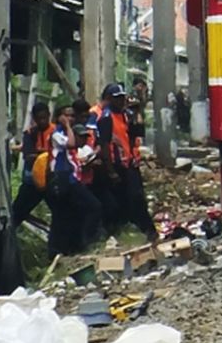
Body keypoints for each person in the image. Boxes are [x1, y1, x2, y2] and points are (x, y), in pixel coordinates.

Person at [96, 83, 158, 243]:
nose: (121, 101)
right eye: (117, 98)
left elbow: (137, 133)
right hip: (116, 165)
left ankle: (146, 230)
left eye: (122, 98)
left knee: (136, 197)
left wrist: (137, 112)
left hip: (129, 163)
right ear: (109, 99)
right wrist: (110, 170)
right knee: (123, 200)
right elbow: (104, 145)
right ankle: (123, 231)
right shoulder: (106, 118)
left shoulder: (126, 115)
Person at [47, 106, 102, 256]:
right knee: (63, 215)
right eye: (66, 116)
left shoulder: (67, 132)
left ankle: (73, 246)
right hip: (61, 178)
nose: (70, 119)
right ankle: (59, 250)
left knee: (70, 213)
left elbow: (78, 146)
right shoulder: (57, 134)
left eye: (72, 116)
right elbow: (71, 143)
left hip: (70, 178)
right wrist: (67, 126)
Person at [10, 102, 54, 228]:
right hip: (33, 181)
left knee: (60, 212)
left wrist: (39, 153)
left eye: (45, 118)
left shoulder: (55, 131)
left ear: (49, 116)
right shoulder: (30, 134)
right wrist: (46, 153)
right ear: (34, 119)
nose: (42, 121)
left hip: (51, 180)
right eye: (39, 118)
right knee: (17, 211)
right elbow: (29, 157)